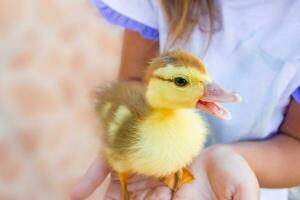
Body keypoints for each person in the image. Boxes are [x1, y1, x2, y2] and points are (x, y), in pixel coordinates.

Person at [71, 0, 300, 199]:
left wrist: (231, 159)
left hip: (252, 185)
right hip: (151, 180)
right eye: (182, 83)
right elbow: (134, 84)